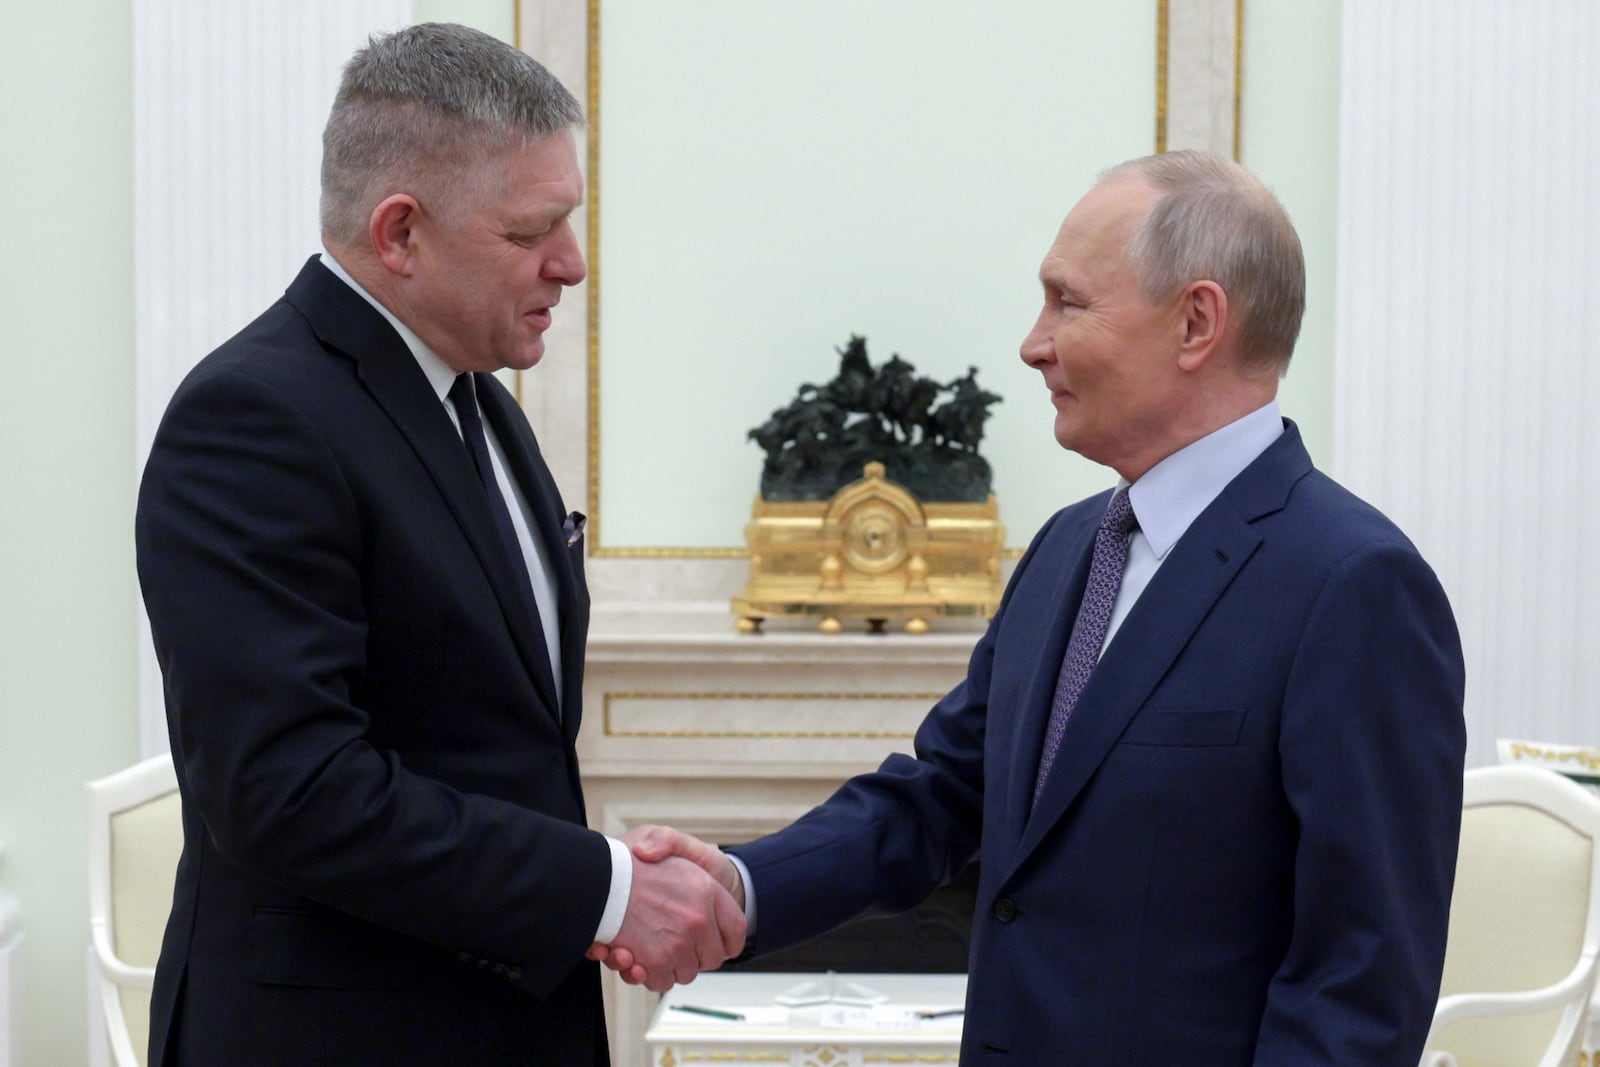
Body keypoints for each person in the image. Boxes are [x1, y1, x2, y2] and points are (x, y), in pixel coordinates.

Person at [610, 151, 1467, 1064]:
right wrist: (744, 883)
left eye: (1069, 301)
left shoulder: (1354, 584)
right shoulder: (1068, 549)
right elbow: (941, 797)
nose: (1032, 342)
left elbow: (1360, 985)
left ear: (1197, 321)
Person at [135, 23, 742, 1066]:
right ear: (400, 232)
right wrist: (603, 887)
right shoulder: (255, 416)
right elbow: (289, 788)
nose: (573, 263)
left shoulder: (477, 401)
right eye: (530, 231)